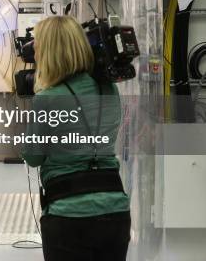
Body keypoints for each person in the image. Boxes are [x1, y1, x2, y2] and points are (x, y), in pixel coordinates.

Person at [22, 15, 131, 261]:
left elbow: (33, 156)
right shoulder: (109, 90)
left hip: (68, 215)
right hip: (115, 209)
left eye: (38, 45)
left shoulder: (47, 99)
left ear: (50, 52)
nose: (35, 52)